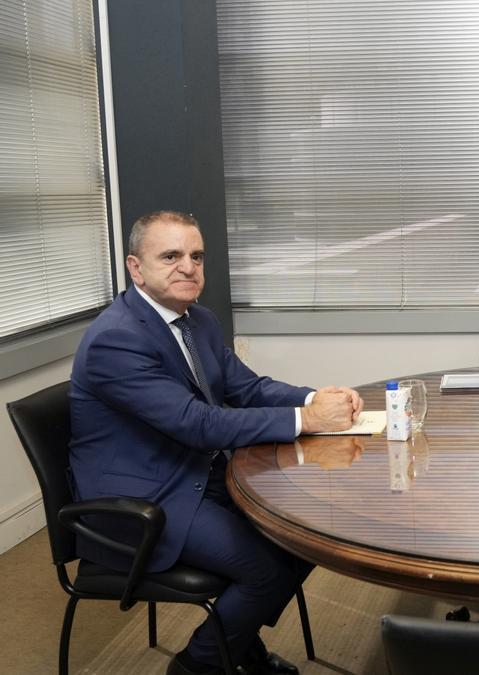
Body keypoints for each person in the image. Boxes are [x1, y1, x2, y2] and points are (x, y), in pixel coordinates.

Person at [69, 211, 363, 675]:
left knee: (307, 536)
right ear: (135, 268)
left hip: (197, 475)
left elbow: (245, 388)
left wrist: (314, 396)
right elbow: (197, 424)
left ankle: (237, 649)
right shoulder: (117, 340)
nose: (189, 267)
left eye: (196, 256)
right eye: (171, 256)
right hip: (143, 499)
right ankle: (199, 665)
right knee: (264, 570)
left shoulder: (196, 319)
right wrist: (306, 418)